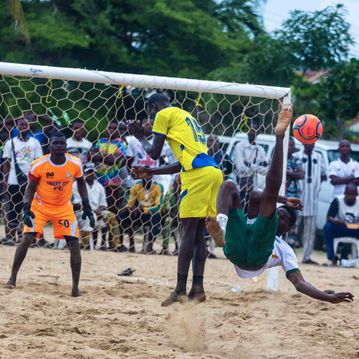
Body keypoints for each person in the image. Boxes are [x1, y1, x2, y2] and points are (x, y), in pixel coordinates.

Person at [206, 106, 354, 304]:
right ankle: (220, 230)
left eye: (284, 218)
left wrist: (328, 297)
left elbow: (299, 283)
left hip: (257, 257)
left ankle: (279, 136)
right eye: (280, 214)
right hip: (233, 245)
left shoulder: (284, 249)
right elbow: (256, 195)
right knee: (229, 185)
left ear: (289, 228)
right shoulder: (256, 218)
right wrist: (284, 200)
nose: (280, 217)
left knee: (270, 196)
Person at [129, 92, 223, 306]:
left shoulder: (163, 114)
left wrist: (139, 136)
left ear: (152, 107)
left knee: (188, 232)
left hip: (197, 176)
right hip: (212, 172)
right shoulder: (187, 118)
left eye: (149, 114)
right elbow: (182, 162)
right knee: (199, 235)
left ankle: (180, 290)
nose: (150, 120)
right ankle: (197, 288)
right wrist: (150, 173)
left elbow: (153, 152)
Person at [5, 132, 95, 297]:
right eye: (56, 143)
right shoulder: (39, 164)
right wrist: (26, 208)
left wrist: (87, 206)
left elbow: (81, 183)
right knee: (26, 239)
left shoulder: (75, 163)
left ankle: (75, 287)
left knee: (74, 243)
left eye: (62, 143)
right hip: (40, 206)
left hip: (64, 208)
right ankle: (12, 277)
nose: (59, 146)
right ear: (50, 146)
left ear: (66, 146)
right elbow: (31, 187)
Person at [1, 116, 43, 245]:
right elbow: (6, 164)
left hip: (31, 181)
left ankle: (32, 238)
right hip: (14, 180)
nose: (23, 127)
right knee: (13, 209)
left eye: (25, 125)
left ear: (30, 126)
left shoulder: (35, 143)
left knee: (32, 208)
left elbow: (39, 163)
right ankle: (11, 237)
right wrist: (4, 182)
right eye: (20, 125)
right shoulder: (10, 143)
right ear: (17, 127)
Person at [72, 162, 120, 250]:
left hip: (98, 212)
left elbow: (103, 204)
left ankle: (115, 245)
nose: (91, 174)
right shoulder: (76, 185)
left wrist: (98, 211)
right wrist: (92, 212)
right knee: (88, 218)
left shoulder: (99, 186)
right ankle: (83, 244)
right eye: (88, 172)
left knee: (111, 216)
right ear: (83, 173)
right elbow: (77, 203)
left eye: (92, 172)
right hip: (82, 212)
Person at [91, 120, 128, 231]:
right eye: (110, 128)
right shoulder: (101, 141)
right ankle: (99, 242)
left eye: (114, 128)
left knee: (111, 212)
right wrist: (109, 156)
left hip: (113, 182)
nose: (111, 130)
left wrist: (101, 155)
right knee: (97, 210)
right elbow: (92, 156)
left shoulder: (121, 143)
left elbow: (114, 160)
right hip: (98, 181)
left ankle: (111, 242)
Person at [295, 143, 327, 265]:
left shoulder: (318, 157)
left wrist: (315, 183)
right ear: (304, 143)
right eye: (308, 143)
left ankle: (306, 256)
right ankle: (290, 254)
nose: (310, 145)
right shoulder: (297, 156)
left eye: (312, 143)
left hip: (313, 197)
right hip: (298, 196)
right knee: (293, 226)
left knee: (310, 229)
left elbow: (324, 174)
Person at [118, 175, 163, 253]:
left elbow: (158, 206)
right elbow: (130, 203)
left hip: (151, 214)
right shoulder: (136, 186)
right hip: (138, 214)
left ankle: (149, 246)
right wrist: (132, 209)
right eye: (144, 178)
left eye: (148, 177)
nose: (146, 179)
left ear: (152, 177)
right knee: (122, 216)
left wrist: (144, 210)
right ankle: (125, 245)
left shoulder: (158, 187)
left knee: (157, 216)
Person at [233, 124, 267, 210]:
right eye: (250, 130)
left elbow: (265, 171)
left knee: (251, 211)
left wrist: (249, 164)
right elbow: (240, 167)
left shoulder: (260, 149)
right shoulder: (240, 146)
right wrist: (257, 167)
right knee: (239, 210)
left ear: (258, 133)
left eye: (255, 131)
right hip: (241, 185)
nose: (252, 133)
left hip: (254, 187)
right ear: (247, 132)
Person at [323, 183, 359, 266]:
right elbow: (329, 217)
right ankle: (331, 258)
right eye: (348, 194)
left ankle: (350, 258)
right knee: (327, 227)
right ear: (344, 193)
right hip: (342, 227)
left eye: (352, 195)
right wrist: (340, 222)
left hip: (356, 229)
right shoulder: (338, 200)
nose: (350, 196)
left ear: (356, 194)